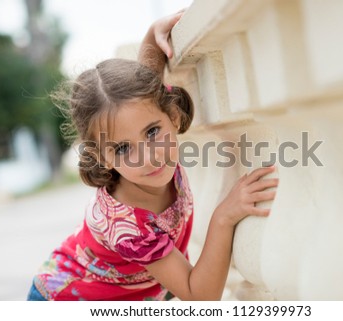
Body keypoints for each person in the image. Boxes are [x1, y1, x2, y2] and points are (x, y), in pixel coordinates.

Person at [27, 10, 278, 301]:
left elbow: (147, 83)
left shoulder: (150, 122)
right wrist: (223, 216)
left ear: (172, 115)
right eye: (122, 148)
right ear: (103, 159)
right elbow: (200, 296)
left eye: (151, 132)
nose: (148, 156)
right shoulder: (127, 225)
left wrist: (153, 34)